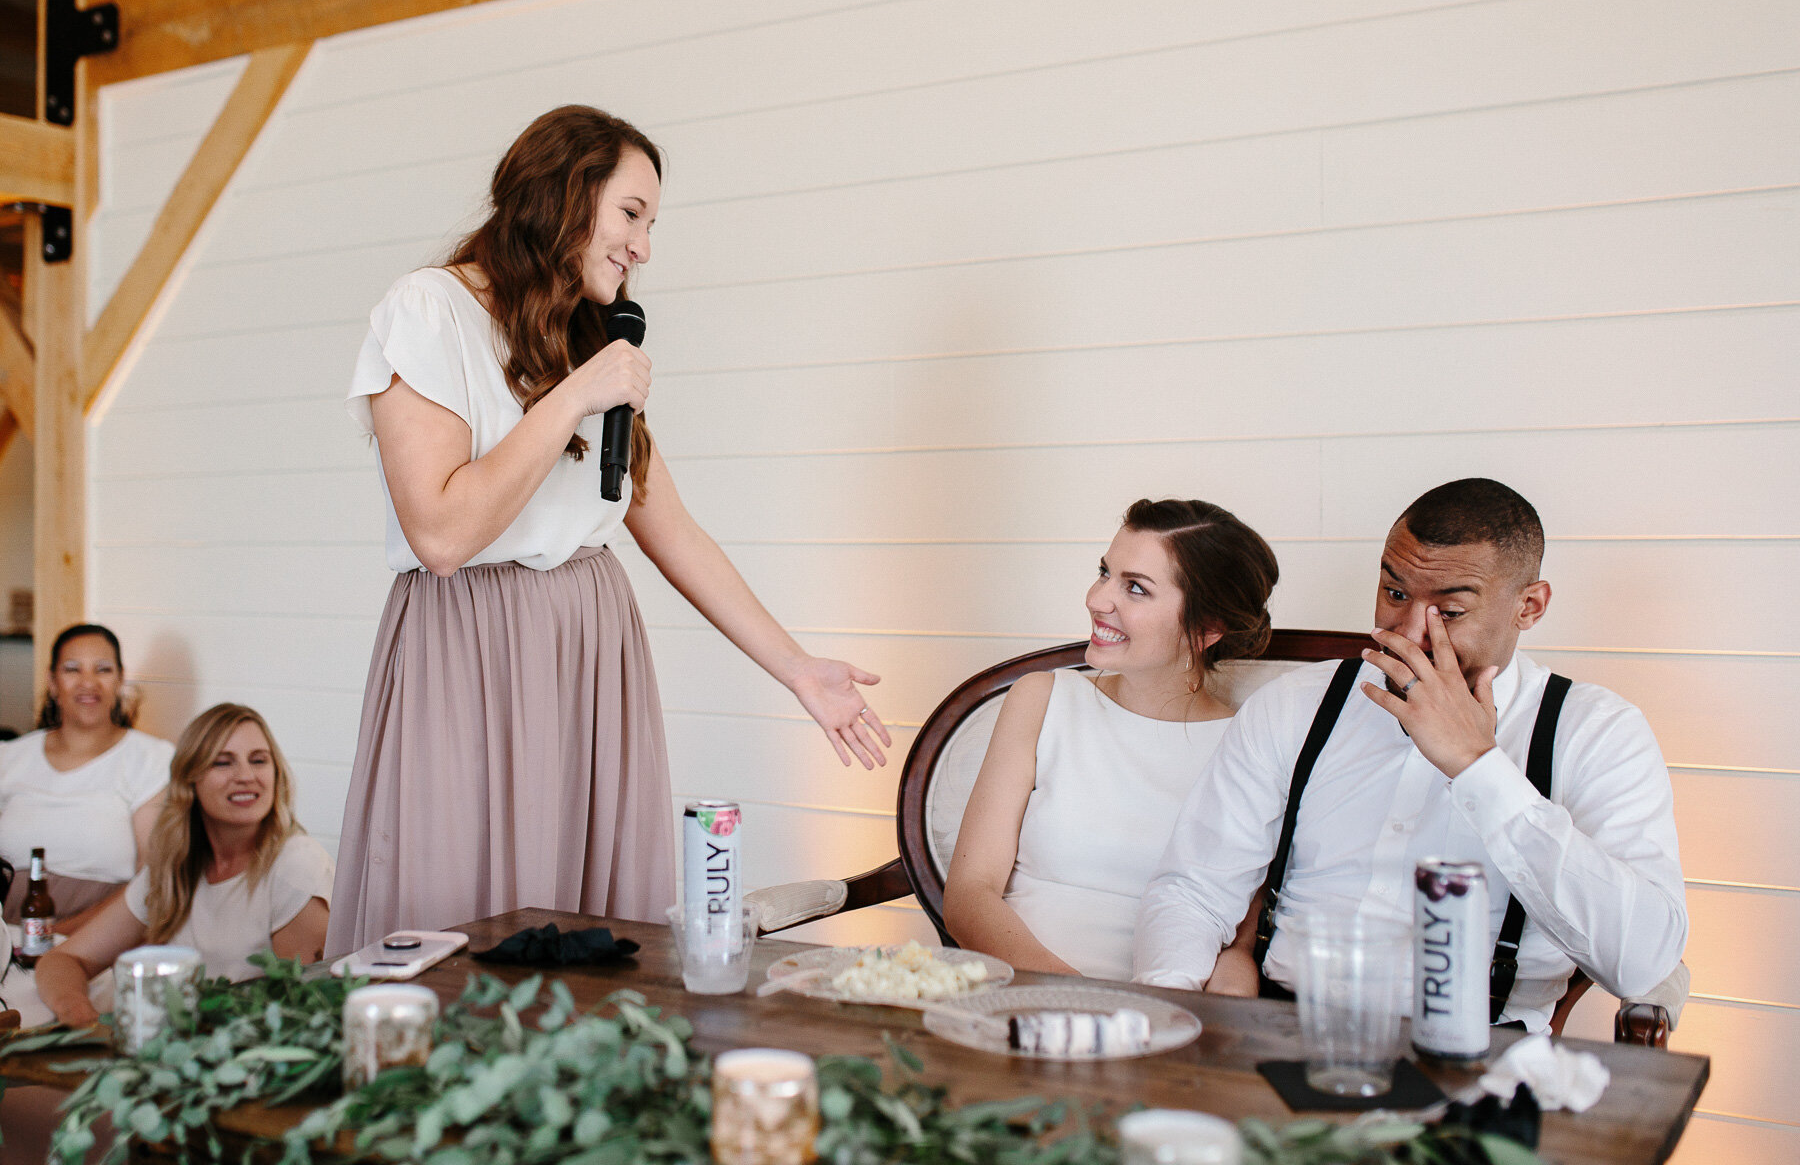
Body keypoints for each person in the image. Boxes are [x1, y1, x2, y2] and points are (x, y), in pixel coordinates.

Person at [328, 105, 891, 955]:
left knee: (584, 913)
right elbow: (443, 533)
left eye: (651, 223)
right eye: (632, 213)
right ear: (560, 195)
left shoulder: (586, 336)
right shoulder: (428, 310)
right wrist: (573, 398)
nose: (644, 247)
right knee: (454, 908)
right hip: (469, 645)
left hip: (591, 647)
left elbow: (670, 526)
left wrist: (798, 669)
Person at [1135, 479, 1687, 1030]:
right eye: (1395, 595)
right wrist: (1172, 1019)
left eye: (1449, 610)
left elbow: (1642, 962)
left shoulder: (1597, 732)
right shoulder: (1295, 705)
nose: (1410, 632)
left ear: (1529, 606)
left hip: (1483, 1057)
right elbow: (1194, 891)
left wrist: (1479, 768)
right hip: (1281, 1032)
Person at [943, 499, 1279, 982]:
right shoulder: (1043, 699)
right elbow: (969, 896)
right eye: (1105, 572)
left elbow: (1233, 950)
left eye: (1135, 589)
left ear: (1207, 630)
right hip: (1018, 997)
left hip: (1160, 1020)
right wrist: (1080, 1002)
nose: (1097, 599)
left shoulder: (1251, 745)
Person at [34, 704, 332, 1025]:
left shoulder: (297, 864)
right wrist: (80, 1018)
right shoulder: (173, 868)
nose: (246, 776)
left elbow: (298, 1014)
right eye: (223, 762)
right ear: (190, 781)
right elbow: (63, 960)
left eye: (259, 760)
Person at [0, 624, 171, 933]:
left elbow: (152, 879)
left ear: (120, 679)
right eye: (72, 669)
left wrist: (59, 939)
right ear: (52, 682)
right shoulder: (8, 758)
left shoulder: (151, 760)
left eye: (103, 669)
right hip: (5, 934)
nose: (88, 683)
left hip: (102, 936)